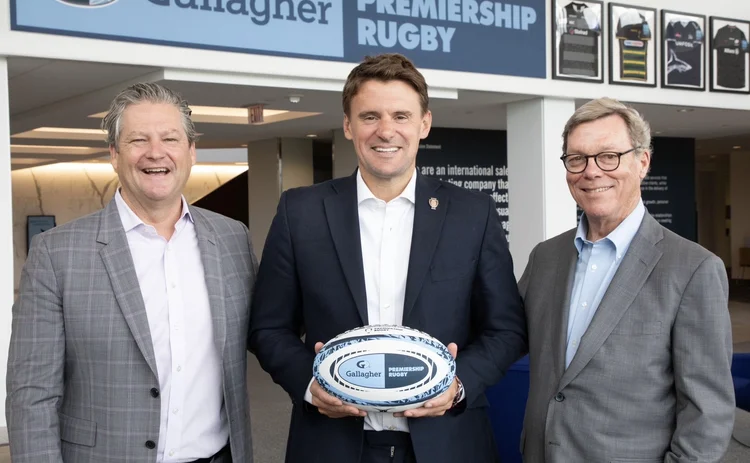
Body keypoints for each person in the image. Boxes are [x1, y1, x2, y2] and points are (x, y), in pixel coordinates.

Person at [248, 53, 526, 463]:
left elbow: (506, 330)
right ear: (348, 125)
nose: (386, 131)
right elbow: (268, 327)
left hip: (447, 443)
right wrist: (310, 384)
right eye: (369, 116)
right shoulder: (300, 212)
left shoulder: (473, 213)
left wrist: (459, 383)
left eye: (401, 115)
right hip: (331, 444)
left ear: (424, 124)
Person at [6, 83, 257, 463]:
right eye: (138, 140)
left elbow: (270, 331)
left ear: (191, 152)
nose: (156, 153)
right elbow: (31, 395)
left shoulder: (232, 239)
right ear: (114, 154)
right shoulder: (57, 253)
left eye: (170, 138)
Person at [519, 97, 735, 462]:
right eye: (577, 159)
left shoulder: (694, 269)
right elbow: (506, 335)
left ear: (642, 162)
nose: (591, 171)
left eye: (609, 156)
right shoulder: (546, 258)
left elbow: (707, 414)